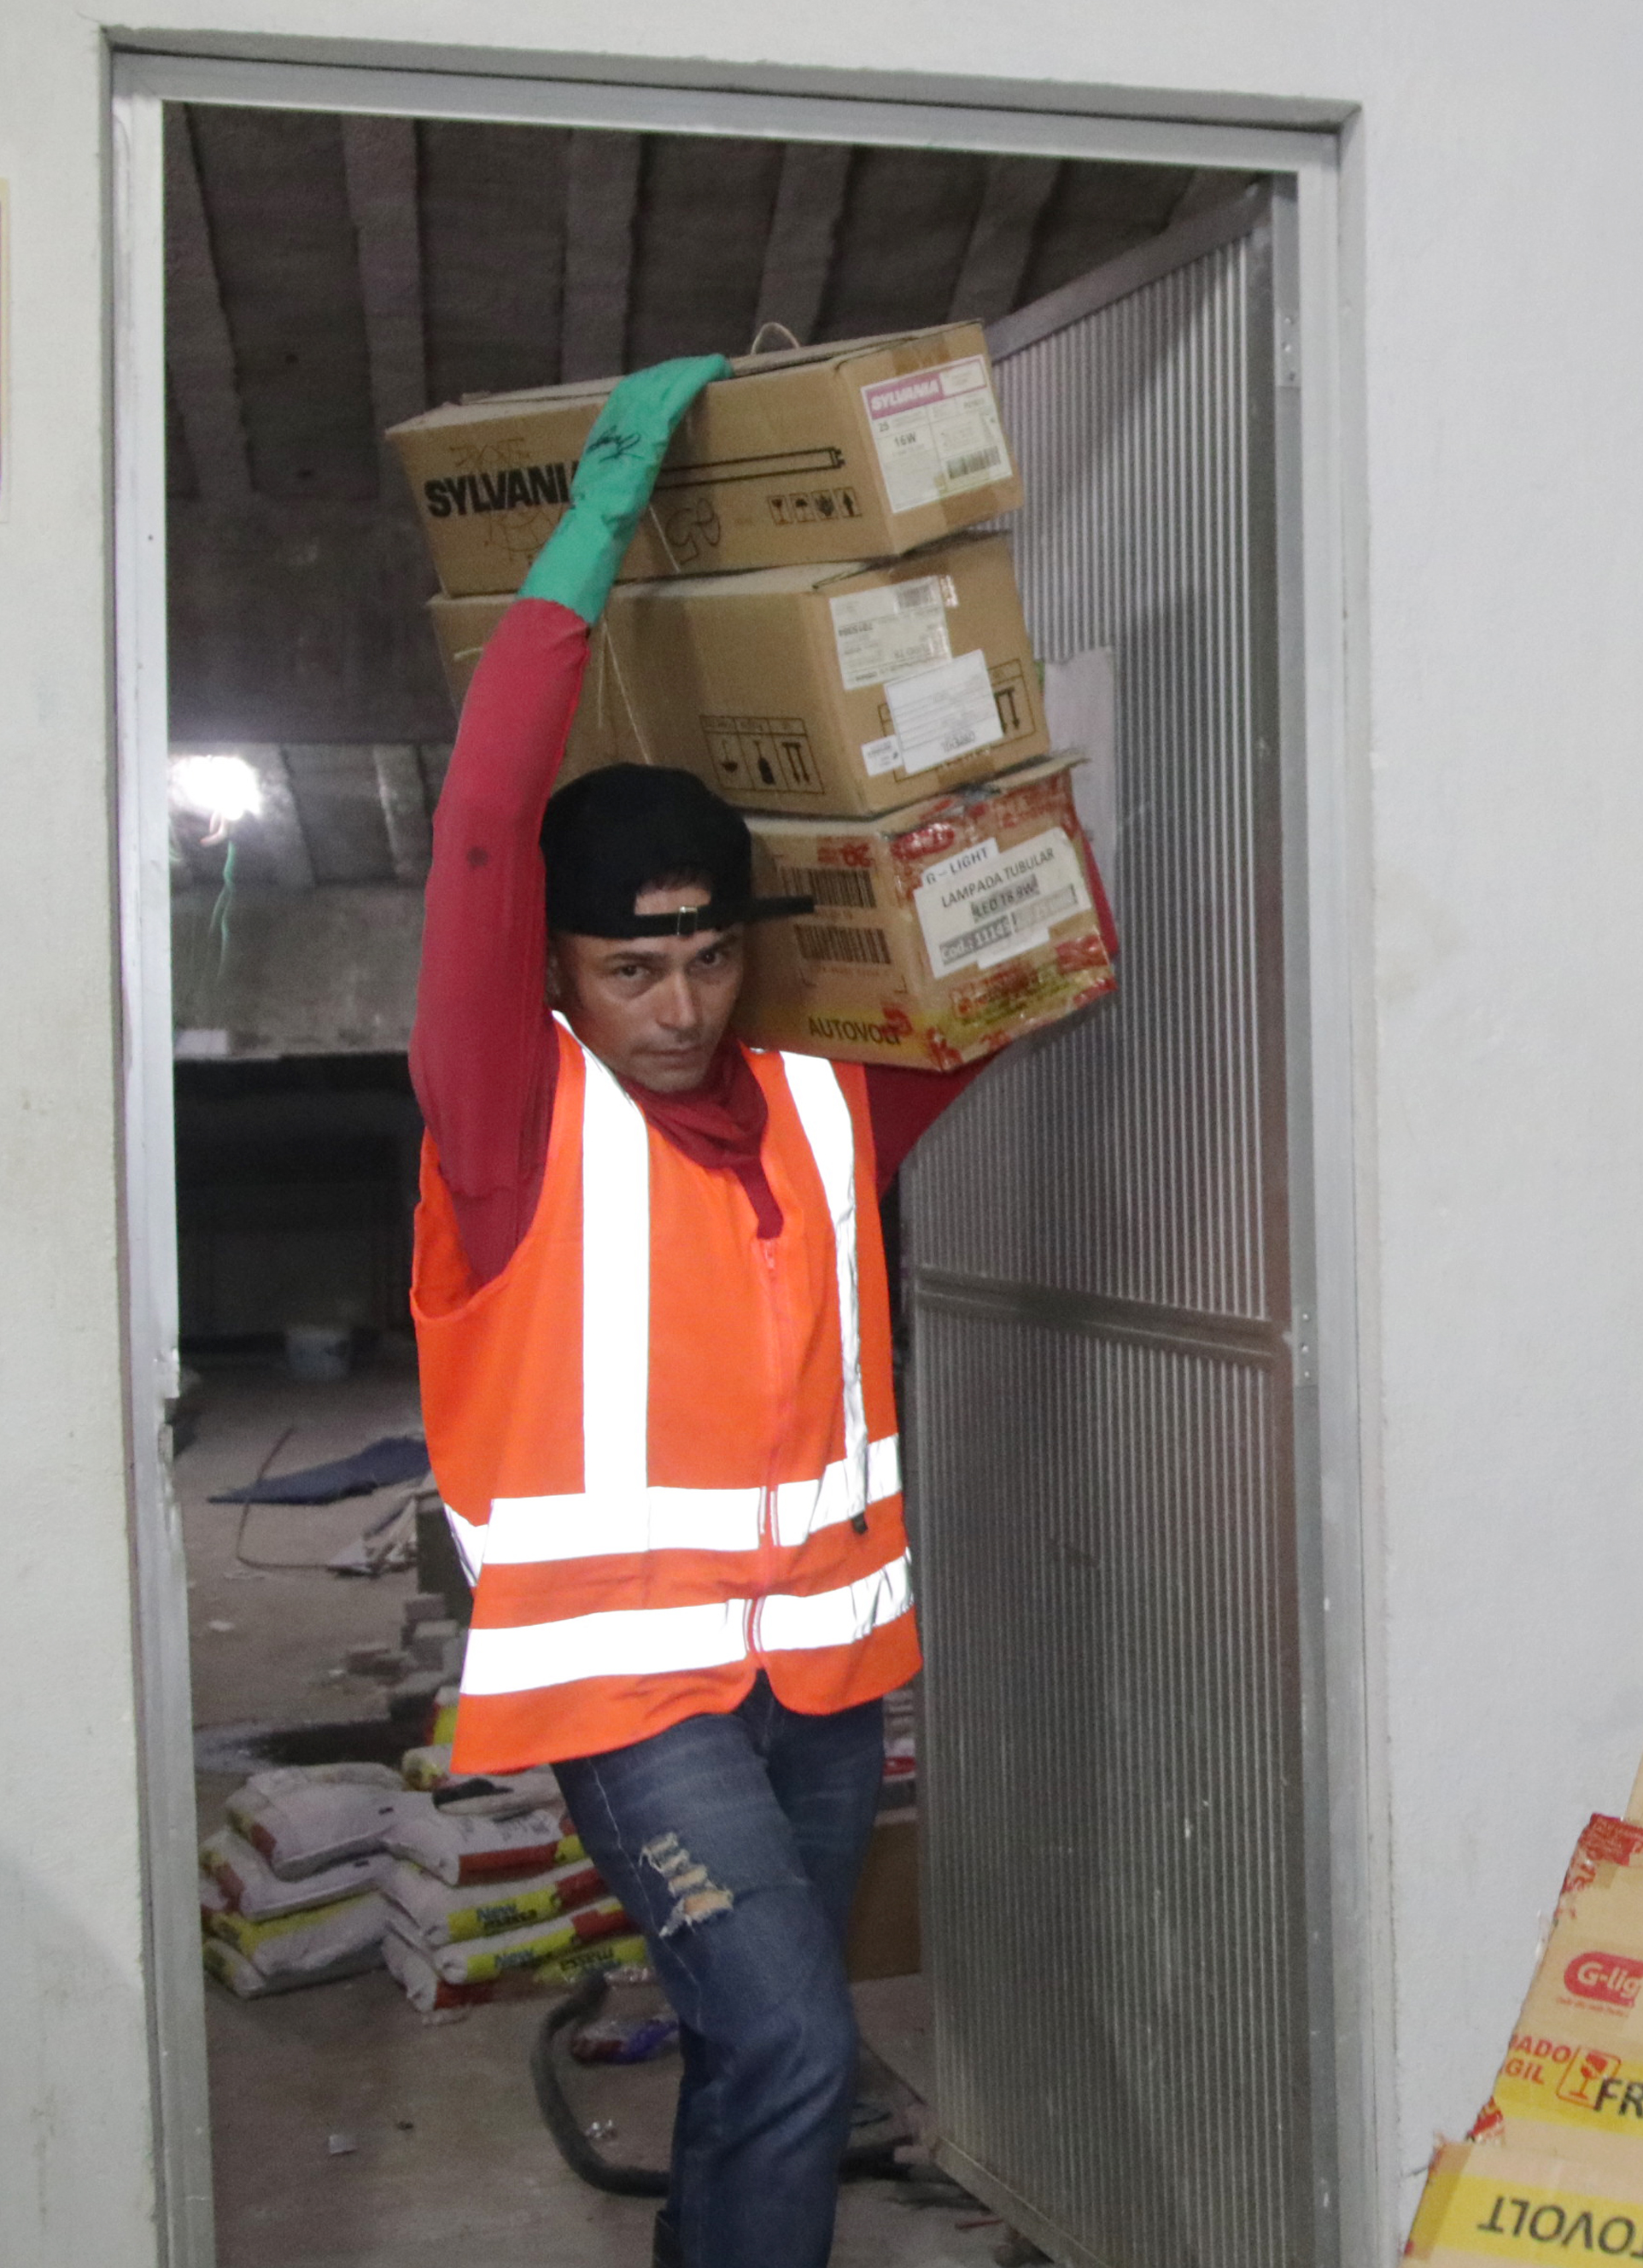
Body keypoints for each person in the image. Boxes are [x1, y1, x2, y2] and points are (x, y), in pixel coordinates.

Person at [409, 358, 994, 2268]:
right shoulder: (509, 1115)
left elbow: (1000, 953)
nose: (677, 1006)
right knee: (798, 2036)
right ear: (556, 967)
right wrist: (592, 526)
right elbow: (486, 819)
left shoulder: (827, 1101)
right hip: (628, 1694)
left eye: (711, 956)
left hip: (818, 1678)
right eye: (629, 967)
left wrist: (972, 753)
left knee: (771, 2056)